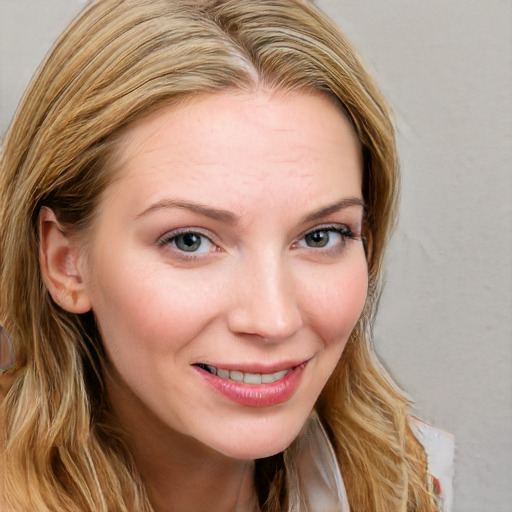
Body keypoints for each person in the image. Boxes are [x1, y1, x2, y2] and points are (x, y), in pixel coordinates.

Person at [0, 1, 454, 511]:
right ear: (65, 262)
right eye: (189, 241)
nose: (274, 319)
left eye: (322, 236)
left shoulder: (405, 486)